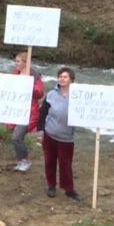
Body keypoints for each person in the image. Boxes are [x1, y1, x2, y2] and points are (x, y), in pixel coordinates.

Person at [37, 67, 81, 201]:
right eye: (60, 76)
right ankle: (51, 186)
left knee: (66, 163)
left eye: (65, 77)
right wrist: (40, 132)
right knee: (49, 161)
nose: (62, 79)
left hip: (66, 137)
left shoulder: (78, 95)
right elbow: (42, 113)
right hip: (50, 134)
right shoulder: (51, 94)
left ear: (71, 80)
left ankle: (69, 189)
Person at [7, 52, 44, 172]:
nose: (16, 63)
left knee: (16, 137)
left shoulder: (35, 76)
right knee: (17, 136)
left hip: (28, 112)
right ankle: (20, 160)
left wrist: (28, 85)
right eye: (16, 61)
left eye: (18, 61)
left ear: (25, 62)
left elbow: (39, 94)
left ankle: (25, 160)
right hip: (14, 109)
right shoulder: (14, 74)